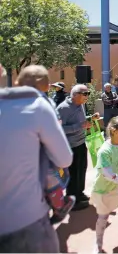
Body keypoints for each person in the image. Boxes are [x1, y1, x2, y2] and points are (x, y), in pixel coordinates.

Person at [0, 65, 73, 253]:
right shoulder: (38, 106)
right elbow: (64, 158)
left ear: (16, 82)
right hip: (26, 220)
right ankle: (59, 203)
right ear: (47, 86)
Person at [15, 66, 75, 224]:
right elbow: (55, 132)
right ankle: (59, 205)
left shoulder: (9, 103)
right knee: (52, 174)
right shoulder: (45, 104)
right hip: (38, 155)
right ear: (47, 85)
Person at [90, 116, 118, 253]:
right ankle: (97, 244)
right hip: (105, 190)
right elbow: (108, 174)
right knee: (103, 218)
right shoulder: (105, 151)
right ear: (114, 131)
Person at [57, 84, 99, 210]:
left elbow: (80, 121)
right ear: (75, 95)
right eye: (84, 94)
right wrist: (80, 126)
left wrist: (90, 118)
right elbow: (59, 128)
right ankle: (72, 200)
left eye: (88, 93)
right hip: (70, 146)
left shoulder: (80, 105)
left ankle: (79, 193)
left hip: (81, 143)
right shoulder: (63, 109)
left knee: (82, 169)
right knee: (73, 173)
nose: (87, 96)